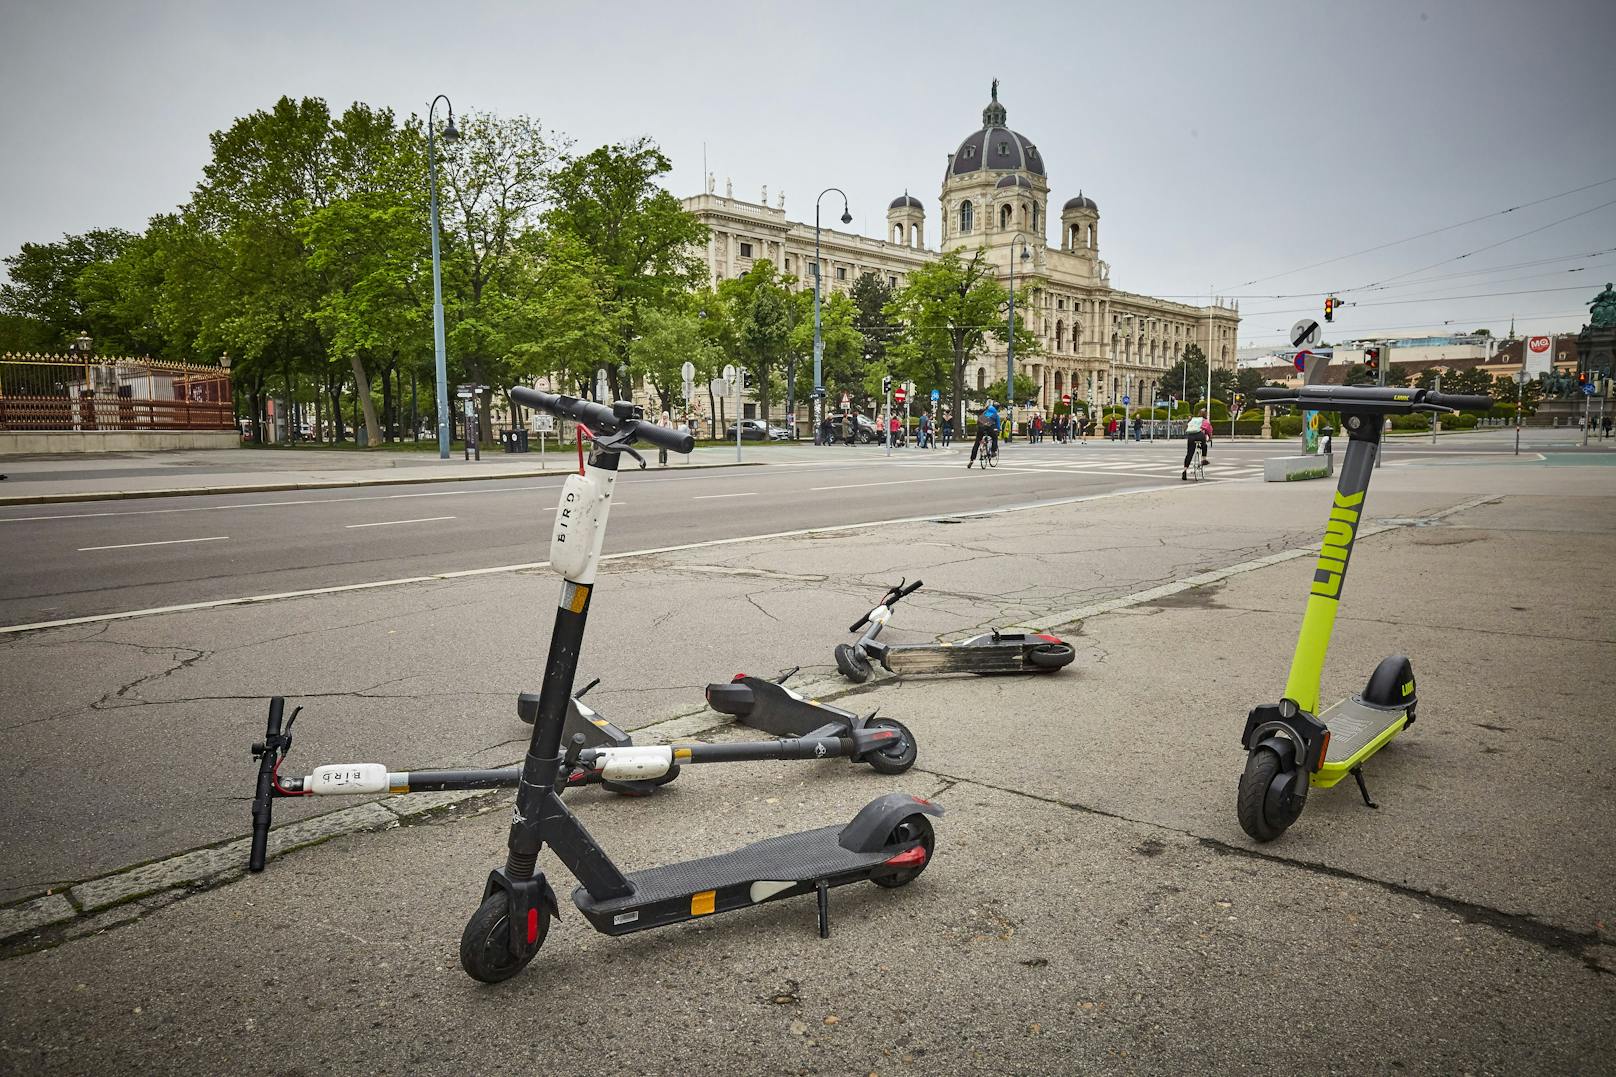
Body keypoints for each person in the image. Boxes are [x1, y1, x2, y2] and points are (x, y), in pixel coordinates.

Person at [967, 401, 1000, 468]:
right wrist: (998, 431)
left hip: (980, 427)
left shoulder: (986, 411)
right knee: (994, 437)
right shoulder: (996, 414)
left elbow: (979, 420)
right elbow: (998, 425)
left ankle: (971, 460)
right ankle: (993, 451)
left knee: (977, 443)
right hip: (988, 427)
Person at [1182, 410, 1211, 479]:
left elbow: (1186, 428)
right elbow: (1209, 431)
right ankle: (1204, 459)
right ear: (1205, 415)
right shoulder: (1205, 421)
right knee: (1204, 445)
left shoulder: (1193, 420)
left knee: (1189, 453)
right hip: (1200, 435)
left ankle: (1185, 470)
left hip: (1191, 436)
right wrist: (1209, 438)